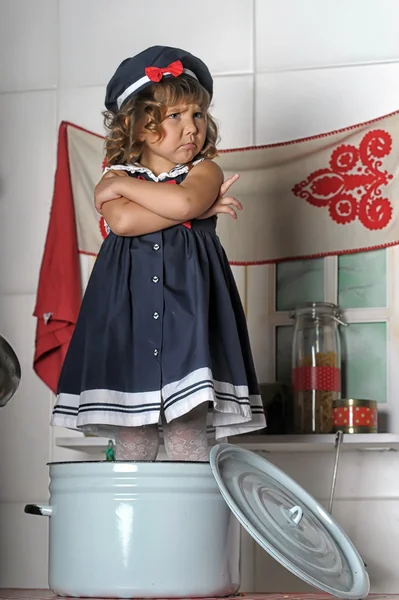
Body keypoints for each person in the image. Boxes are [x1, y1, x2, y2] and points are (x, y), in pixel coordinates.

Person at [51, 46, 266, 461]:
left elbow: (184, 204)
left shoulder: (203, 171)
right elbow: (124, 224)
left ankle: (189, 522)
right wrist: (190, 207)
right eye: (176, 116)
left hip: (189, 315)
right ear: (138, 125)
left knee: (188, 431)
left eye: (198, 115)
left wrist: (135, 192)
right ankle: (139, 523)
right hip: (126, 318)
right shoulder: (118, 173)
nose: (192, 128)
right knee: (134, 436)